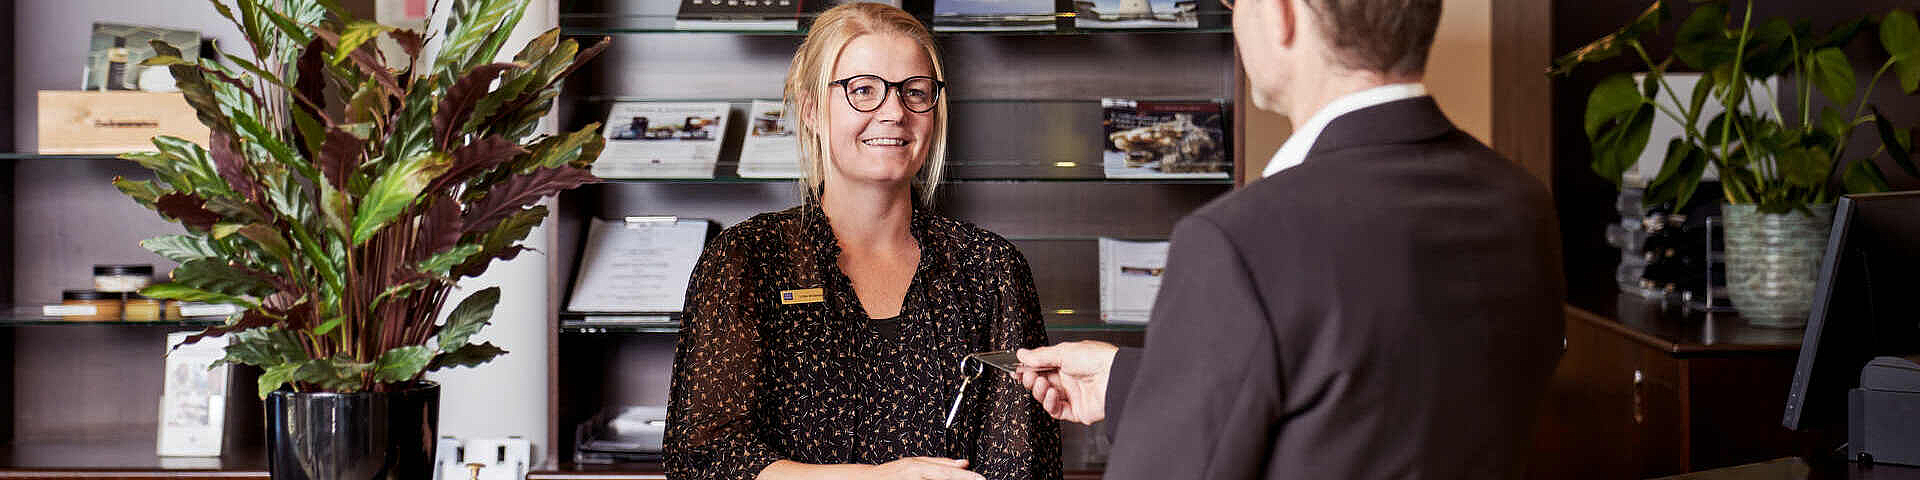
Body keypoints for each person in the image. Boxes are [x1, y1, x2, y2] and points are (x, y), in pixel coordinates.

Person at [1013, 0, 1566, 478]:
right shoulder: (1521, 204)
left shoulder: (1237, 242)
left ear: (1282, 15)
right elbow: (1374, 398)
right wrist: (1127, 381)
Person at [663, 4, 1062, 480]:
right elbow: (704, 457)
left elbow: (1025, 462)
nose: (894, 112)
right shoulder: (746, 259)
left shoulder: (991, 267)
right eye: (864, 90)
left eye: (915, 91)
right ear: (812, 110)